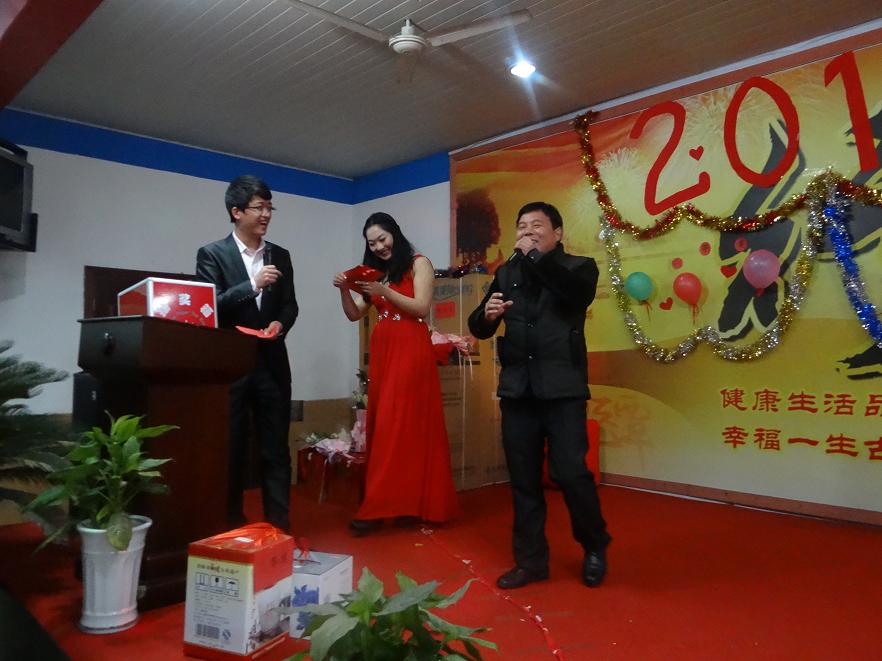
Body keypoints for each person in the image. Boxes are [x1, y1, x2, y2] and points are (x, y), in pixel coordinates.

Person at [467, 201, 611, 588]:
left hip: (563, 389)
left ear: (557, 233)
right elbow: (479, 325)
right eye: (521, 226)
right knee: (523, 479)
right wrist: (487, 315)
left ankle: (594, 544)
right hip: (518, 390)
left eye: (536, 225)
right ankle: (531, 562)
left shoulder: (579, 267)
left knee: (571, 472)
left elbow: (575, 297)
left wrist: (534, 258)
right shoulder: (506, 272)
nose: (527, 231)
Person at [333, 212, 459, 536]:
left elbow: (421, 307)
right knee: (389, 426)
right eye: (372, 243)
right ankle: (403, 504)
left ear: (395, 234)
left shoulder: (419, 263)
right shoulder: (376, 274)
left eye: (382, 238)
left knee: (398, 425)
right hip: (385, 353)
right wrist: (344, 289)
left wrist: (384, 291)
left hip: (411, 350)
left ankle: (380, 507)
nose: (379, 246)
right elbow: (354, 314)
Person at [196, 175, 298, 532]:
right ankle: (229, 523)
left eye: (270, 207)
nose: (266, 214)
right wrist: (252, 284)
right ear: (236, 211)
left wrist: (280, 324)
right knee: (231, 446)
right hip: (231, 366)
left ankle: (278, 525)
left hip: (272, 364)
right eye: (259, 207)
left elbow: (290, 305)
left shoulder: (280, 255)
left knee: (275, 448)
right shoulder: (212, 254)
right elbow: (210, 306)